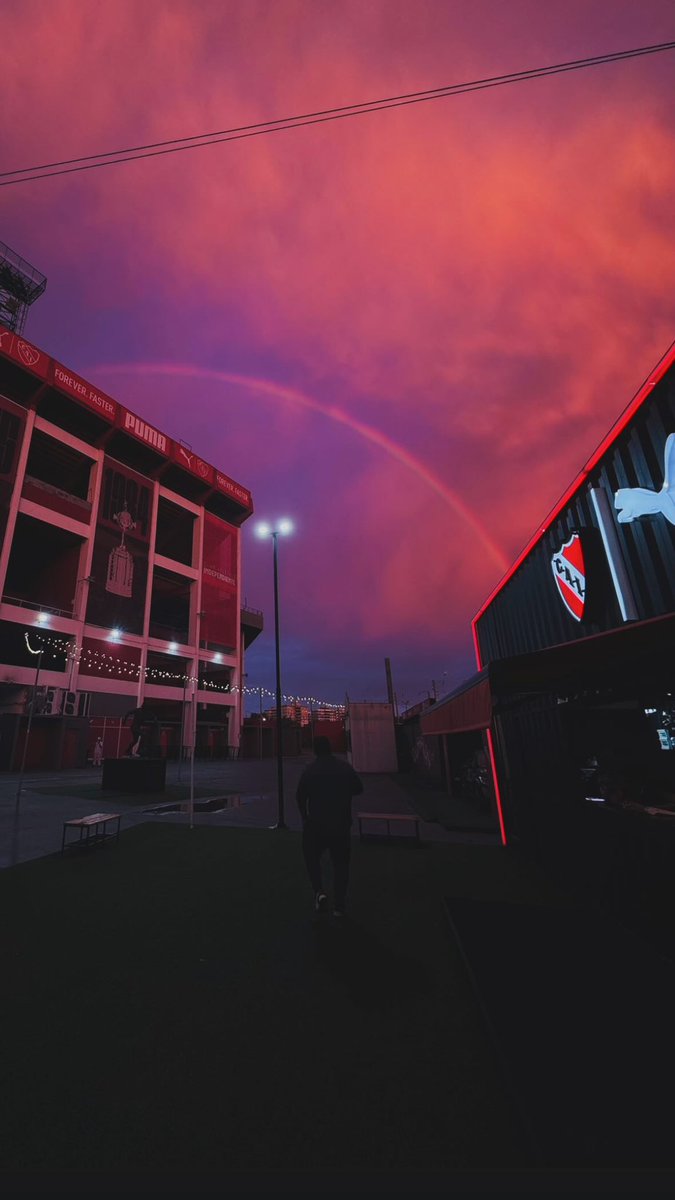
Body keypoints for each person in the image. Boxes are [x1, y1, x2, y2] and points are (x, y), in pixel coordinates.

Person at [296, 735, 363, 918]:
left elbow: (300, 796)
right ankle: (339, 906)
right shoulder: (344, 768)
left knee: (311, 857)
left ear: (316, 750)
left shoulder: (310, 770)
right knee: (341, 865)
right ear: (330, 748)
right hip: (341, 825)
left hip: (316, 824)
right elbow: (359, 788)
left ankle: (319, 891)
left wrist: (305, 817)